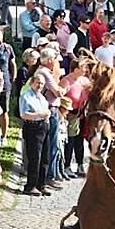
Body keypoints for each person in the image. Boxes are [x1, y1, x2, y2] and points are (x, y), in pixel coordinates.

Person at [19, 62, 52, 196]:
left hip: (44, 126)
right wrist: (40, 114)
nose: (40, 86)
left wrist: (46, 115)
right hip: (33, 127)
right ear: (32, 82)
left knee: (45, 157)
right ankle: (30, 185)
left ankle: (41, 184)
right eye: (38, 83)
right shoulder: (26, 96)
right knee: (35, 158)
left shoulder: (41, 97)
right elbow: (24, 114)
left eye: (42, 84)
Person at [37, 48, 65, 186]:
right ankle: (50, 176)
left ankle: (49, 175)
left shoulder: (42, 71)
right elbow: (58, 92)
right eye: (54, 59)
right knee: (52, 144)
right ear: (49, 60)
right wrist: (61, 83)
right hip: (50, 110)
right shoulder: (45, 73)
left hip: (49, 109)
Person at [61, 58, 91, 177]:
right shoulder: (66, 81)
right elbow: (60, 97)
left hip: (83, 115)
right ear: (76, 69)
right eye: (83, 67)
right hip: (71, 115)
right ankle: (67, 165)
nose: (85, 70)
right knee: (70, 140)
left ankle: (80, 164)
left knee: (80, 141)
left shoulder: (85, 81)